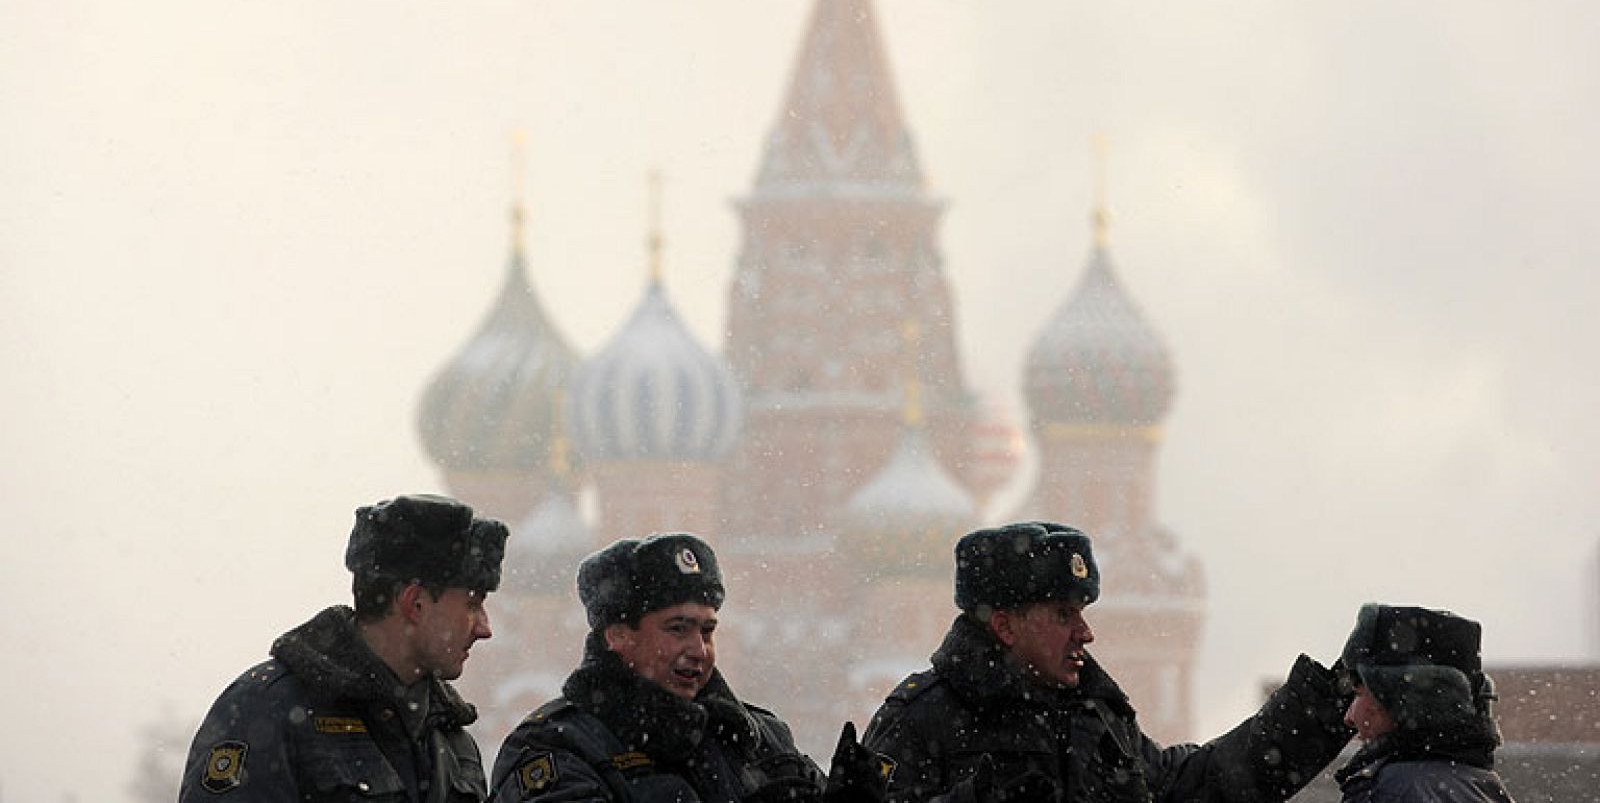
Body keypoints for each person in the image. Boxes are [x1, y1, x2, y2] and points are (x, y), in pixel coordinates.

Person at [862, 521, 1355, 803]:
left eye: (1082, 612)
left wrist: (1321, 708)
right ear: (1006, 626)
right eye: (1062, 614)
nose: (1085, 632)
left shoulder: (1093, 715)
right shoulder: (920, 720)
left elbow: (1196, 787)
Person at [489, 532, 885, 803]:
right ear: (618, 636)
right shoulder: (556, 747)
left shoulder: (759, 738)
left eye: (707, 631)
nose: (698, 649)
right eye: (677, 629)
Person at [179, 493, 509, 803]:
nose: (484, 628)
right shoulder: (265, 710)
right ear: (415, 603)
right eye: (471, 604)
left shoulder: (451, 739)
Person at [1335, 603, 1516, 802]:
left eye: (1359, 694)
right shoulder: (1484, 788)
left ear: (1405, 702)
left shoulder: (1390, 791)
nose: (1349, 717)